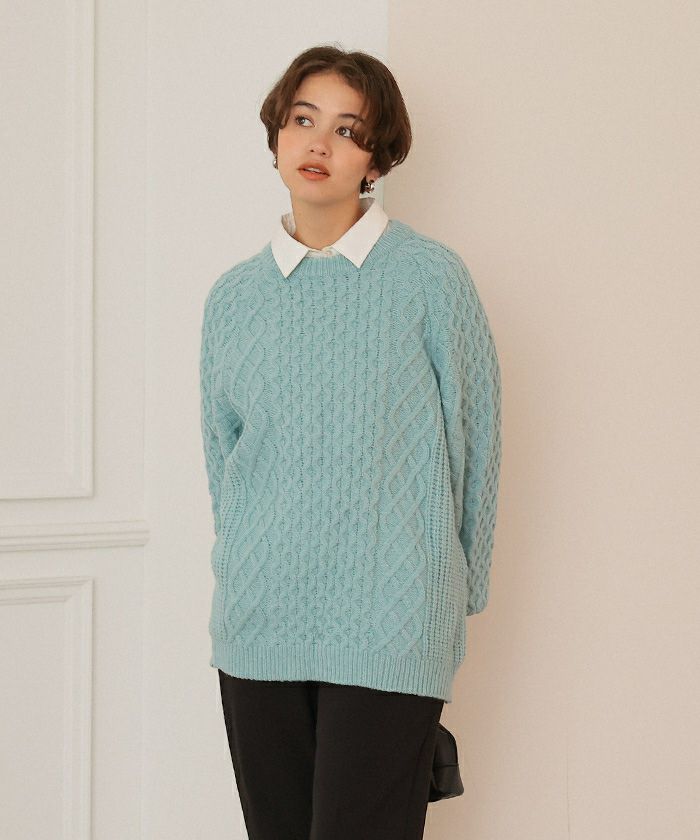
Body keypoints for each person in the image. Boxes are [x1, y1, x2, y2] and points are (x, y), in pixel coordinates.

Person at [199, 44, 502, 840]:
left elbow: (476, 445)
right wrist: (239, 567)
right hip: (260, 621)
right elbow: (226, 463)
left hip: (392, 620)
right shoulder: (234, 298)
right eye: (303, 120)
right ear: (276, 135)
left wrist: (454, 596)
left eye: (347, 129)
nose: (318, 143)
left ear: (378, 156)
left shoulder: (430, 279)